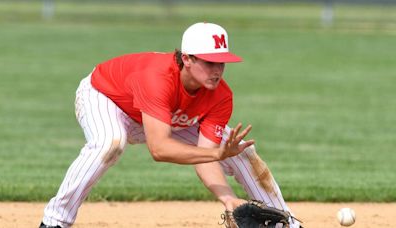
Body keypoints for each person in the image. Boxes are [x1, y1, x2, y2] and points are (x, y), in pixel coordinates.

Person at [39, 22, 300, 228]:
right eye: (209, 62)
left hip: (165, 116)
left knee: (242, 151)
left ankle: (285, 223)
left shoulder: (220, 96)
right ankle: (54, 221)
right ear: (187, 59)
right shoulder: (157, 79)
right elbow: (159, 149)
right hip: (107, 98)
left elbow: (204, 158)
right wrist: (216, 154)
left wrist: (228, 198)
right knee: (111, 143)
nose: (217, 70)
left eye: (221, 62)